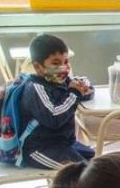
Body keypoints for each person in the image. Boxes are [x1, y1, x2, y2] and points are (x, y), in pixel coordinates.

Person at [20, 34, 95, 169]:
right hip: (39, 149)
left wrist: (84, 87)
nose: (63, 67)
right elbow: (54, 118)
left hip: (62, 143)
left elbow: (80, 95)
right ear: (38, 67)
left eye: (66, 62)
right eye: (56, 63)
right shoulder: (36, 88)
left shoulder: (60, 81)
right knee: (83, 172)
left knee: (94, 159)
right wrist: (74, 93)